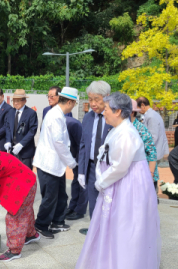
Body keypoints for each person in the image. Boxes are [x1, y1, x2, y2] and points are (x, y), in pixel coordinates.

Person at [75, 93, 161, 269]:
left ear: (118, 111)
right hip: (114, 183)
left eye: (106, 109)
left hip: (127, 186)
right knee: (111, 226)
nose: (103, 112)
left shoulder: (127, 133)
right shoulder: (116, 130)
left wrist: (100, 182)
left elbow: (120, 167)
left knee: (124, 227)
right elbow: (104, 156)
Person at [33, 87, 78, 239]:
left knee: (61, 194)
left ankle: (58, 221)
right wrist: (71, 162)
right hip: (49, 164)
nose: (74, 106)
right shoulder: (56, 116)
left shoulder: (57, 113)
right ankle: (40, 225)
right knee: (50, 196)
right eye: (75, 103)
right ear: (70, 102)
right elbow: (59, 142)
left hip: (55, 164)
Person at [77, 81, 112, 226]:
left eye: (96, 99)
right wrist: (81, 171)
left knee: (109, 204)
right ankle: (95, 233)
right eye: (90, 99)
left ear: (107, 97)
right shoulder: (87, 118)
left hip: (110, 168)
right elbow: (83, 145)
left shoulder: (115, 117)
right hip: (91, 167)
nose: (92, 103)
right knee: (93, 204)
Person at [136, 97, 169, 191]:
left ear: (142, 105)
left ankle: (153, 197)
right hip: (154, 151)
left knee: (151, 175)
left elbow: (153, 137)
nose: (137, 111)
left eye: (138, 108)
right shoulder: (152, 114)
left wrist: (142, 148)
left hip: (153, 152)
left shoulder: (151, 116)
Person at [4, 89, 38, 170]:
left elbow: (32, 130)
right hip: (13, 151)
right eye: (14, 100)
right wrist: (8, 141)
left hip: (25, 151)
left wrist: (21, 144)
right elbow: (8, 127)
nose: (15, 103)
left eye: (18, 101)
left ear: (24, 101)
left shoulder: (31, 113)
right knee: (13, 175)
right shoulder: (10, 112)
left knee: (26, 175)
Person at [64, 116, 86, 221]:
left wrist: (78, 160)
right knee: (75, 182)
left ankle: (80, 210)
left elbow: (81, 144)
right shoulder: (59, 122)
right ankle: (72, 206)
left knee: (82, 184)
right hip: (73, 154)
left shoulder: (73, 124)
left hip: (81, 155)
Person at [131, 99, 158, 183]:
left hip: (143, 176)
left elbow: (152, 153)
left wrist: (150, 175)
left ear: (131, 112)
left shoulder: (140, 129)